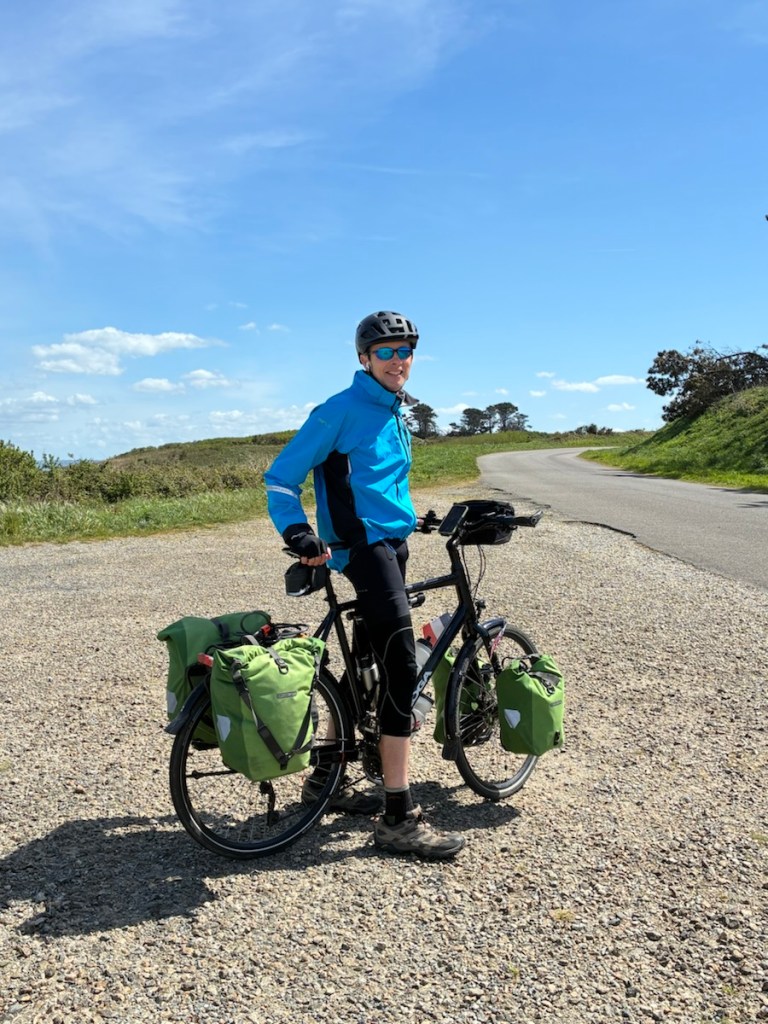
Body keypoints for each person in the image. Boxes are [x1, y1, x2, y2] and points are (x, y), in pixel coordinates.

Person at [264, 311, 465, 860]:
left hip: (391, 545)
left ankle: (325, 780)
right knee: (402, 668)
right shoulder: (339, 410)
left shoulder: (394, 410)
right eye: (386, 352)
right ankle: (398, 817)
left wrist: (411, 519)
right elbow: (281, 478)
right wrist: (298, 531)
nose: (398, 360)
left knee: (367, 669)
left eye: (405, 351)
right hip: (363, 551)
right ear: (364, 359)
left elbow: (379, 482)